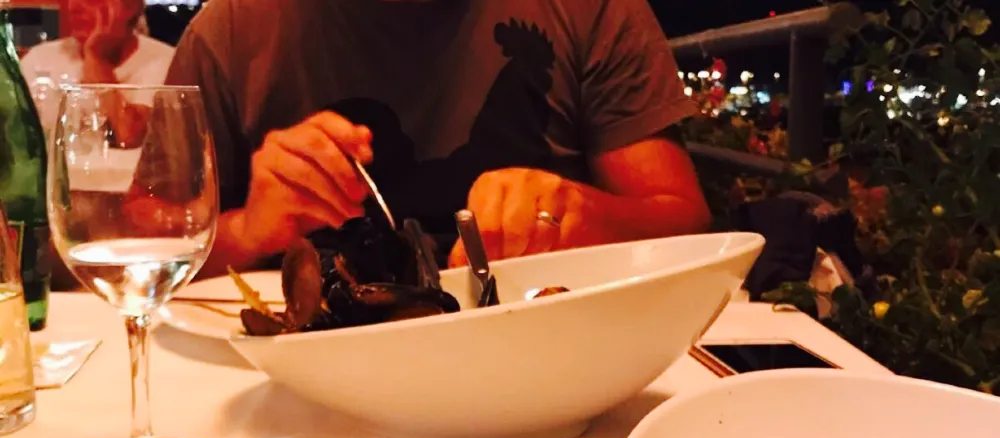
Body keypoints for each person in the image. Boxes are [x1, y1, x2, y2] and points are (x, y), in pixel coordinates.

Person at [164, 0, 711, 275]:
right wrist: (249, 230)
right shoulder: (230, 30)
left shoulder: (591, 10)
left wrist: (582, 216)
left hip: (549, 366)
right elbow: (144, 241)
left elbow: (687, 224)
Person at [21, 0, 174, 144]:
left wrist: (96, 59)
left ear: (130, 8)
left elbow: (128, 136)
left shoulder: (166, 62)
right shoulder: (39, 59)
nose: (74, 6)